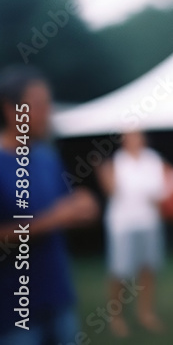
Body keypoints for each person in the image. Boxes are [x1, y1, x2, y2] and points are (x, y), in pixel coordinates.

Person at [0, 66, 99, 344]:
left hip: (59, 300)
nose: (48, 112)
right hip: (13, 314)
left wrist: (84, 206)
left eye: (48, 103)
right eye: (38, 105)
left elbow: (67, 208)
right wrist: (55, 218)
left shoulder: (46, 157)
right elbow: (57, 215)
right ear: (11, 110)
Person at [96, 130, 171, 336]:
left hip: (149, 222)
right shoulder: (117, 162)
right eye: (130, 135)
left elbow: (161, 191)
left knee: (148, 269)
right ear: (123, 139)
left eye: (137, 135)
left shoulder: (153, 159)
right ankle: (116, 317)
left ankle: (145, 313)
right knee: (119, 272)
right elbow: (114, 191)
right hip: (122, 224)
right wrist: (104, 175)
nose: (134, 139)